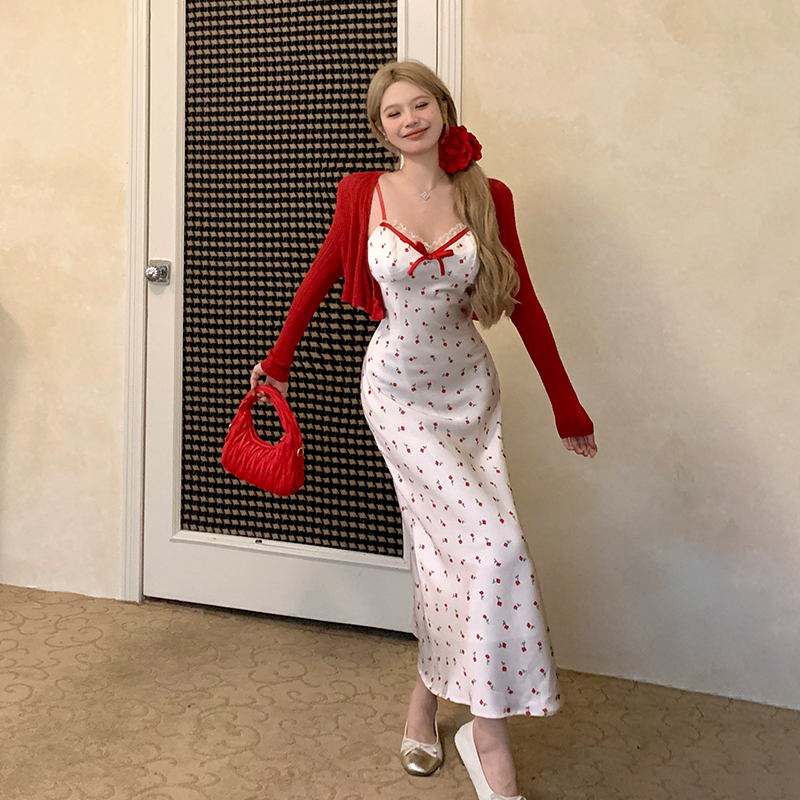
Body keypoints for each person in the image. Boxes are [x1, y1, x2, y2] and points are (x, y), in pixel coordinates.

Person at [250, 60, 597, 800]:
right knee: (496, 548)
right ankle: (488, 737)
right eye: (392, 113)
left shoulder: (488, 195)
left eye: (419, 105)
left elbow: (524, 301)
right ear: (380, 130)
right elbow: (320, 275)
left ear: (443, 109)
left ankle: (424, 701)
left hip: (470, 391)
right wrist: (278, 362)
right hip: (397, 394)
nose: (408, 120)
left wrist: (566, 404)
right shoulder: (362, 193)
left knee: (451, 558)